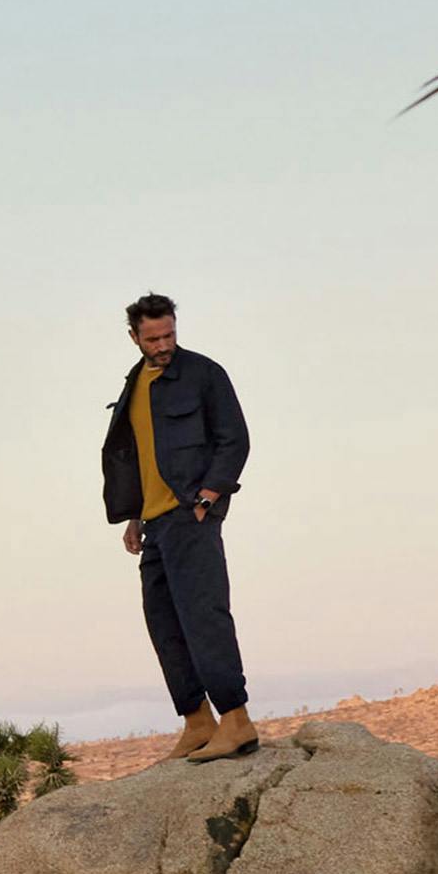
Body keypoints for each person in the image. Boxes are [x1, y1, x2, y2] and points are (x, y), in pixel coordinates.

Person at [102, 294, 256, 760]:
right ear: (135, 338)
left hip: (191, 516)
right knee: (164, 623)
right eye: (153, 338)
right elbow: (137, 458)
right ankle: (197, 721)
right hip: (153, 523)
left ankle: (237, 720)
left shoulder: (204, 374)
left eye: (169, 334)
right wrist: (133, 515)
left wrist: (209, 497)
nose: (164, 344)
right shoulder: (135, 384)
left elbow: (235, 439)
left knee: (204, 616)